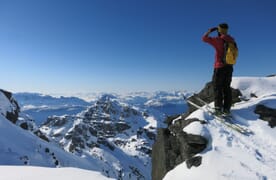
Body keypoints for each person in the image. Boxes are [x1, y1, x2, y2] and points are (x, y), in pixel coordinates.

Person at [202, 23, 237, 115]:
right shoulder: (231, 40)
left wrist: (210, 31)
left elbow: (204, 39)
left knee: (218, 88)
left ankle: (218, 109)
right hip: (229, 67)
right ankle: (227, 109)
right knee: (226, 88)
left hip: (219, 67)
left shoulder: (218, 40)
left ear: (219, 31)